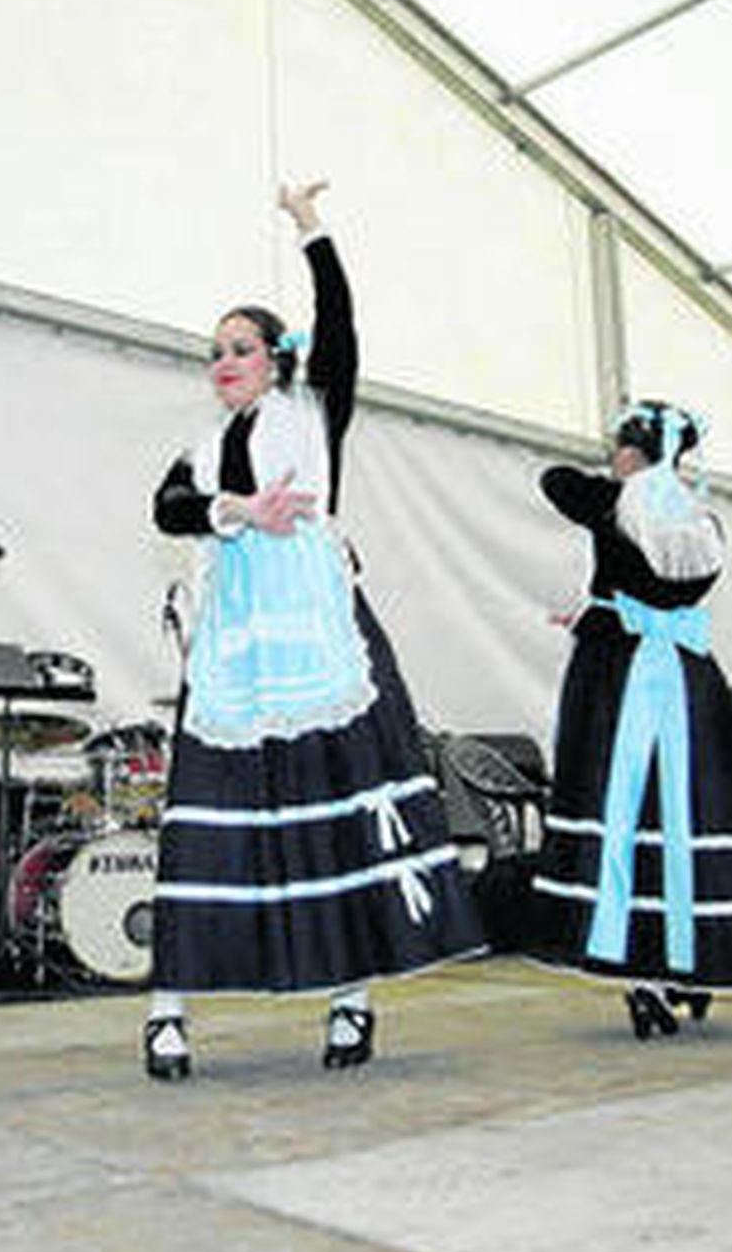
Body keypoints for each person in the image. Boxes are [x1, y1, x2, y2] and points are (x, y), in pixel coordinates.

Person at [145, 181, 483, 1079]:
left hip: (321, 630)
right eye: (214, 351)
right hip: (234, 644)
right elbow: (167, 507)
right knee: (211, 809)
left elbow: (340, 322)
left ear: (275, 358)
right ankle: (167, 1011)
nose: (223, 361)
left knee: (340, 798)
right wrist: (238, 507)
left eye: (241, 347)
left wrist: (310, 229)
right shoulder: (204, 443)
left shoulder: (316, 412)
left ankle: (351, 1002)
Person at [521, 401, 732, 1037]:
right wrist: (596, 609)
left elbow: (554, 481)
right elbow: (660, 593)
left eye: (620, 445)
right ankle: (689, 960)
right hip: (685, 675)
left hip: (615, 676)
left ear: (632, 451)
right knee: (689, 810)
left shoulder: (614, 502)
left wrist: (599, 608)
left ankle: (643, 971)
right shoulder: (702, 520)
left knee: (625, 812)